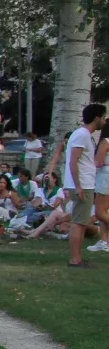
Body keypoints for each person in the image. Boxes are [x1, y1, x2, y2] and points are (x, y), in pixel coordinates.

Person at [62, 103, 105, 267]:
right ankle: (75, 259)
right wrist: (79, 186)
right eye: (103, 117)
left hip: (83, 183)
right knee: (79, 223)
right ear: (97, 118)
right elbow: (74, 161)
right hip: (82, 185)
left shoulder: (84, 135)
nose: (104, 121)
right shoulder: (82, 135)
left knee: (80, 222)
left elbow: (84, 161)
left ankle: (78, 258)